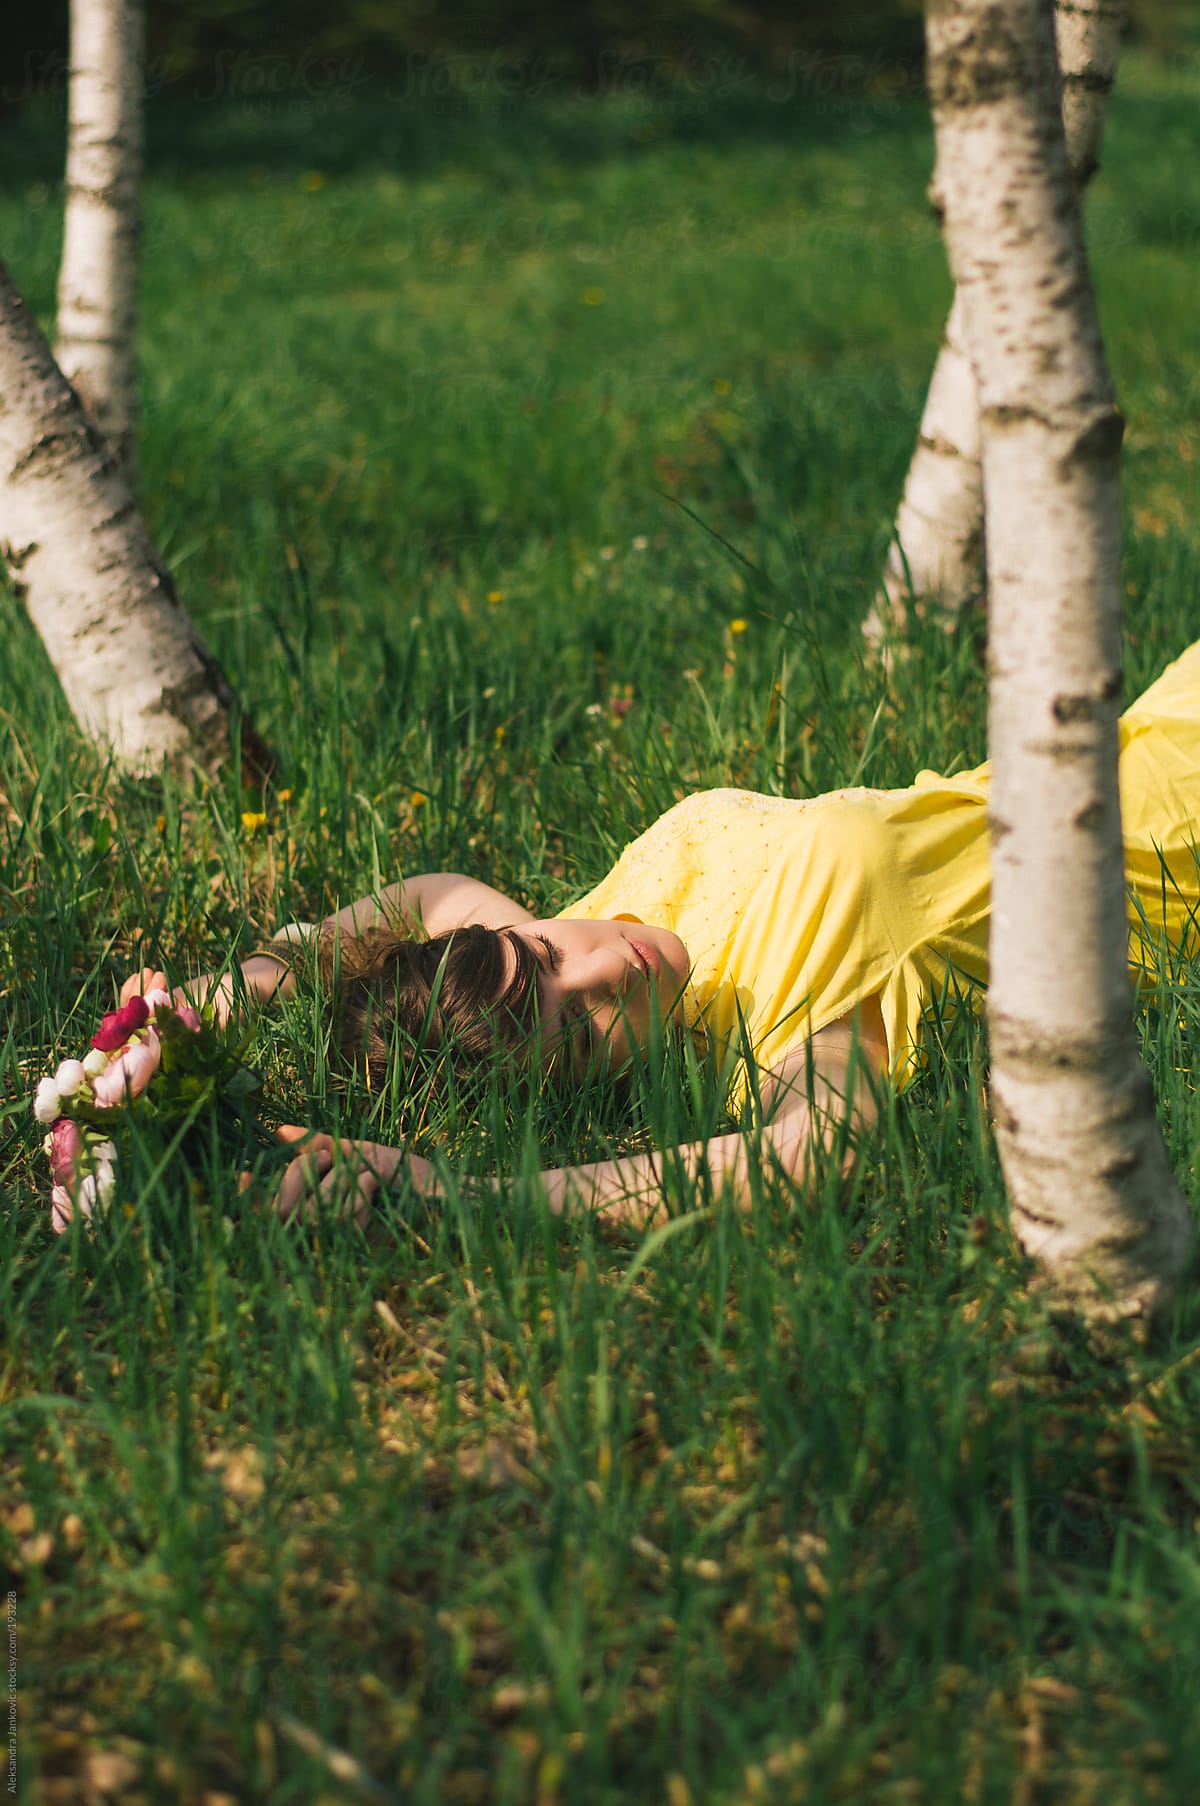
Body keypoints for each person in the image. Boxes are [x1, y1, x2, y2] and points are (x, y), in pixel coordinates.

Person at [124, 639, 1200, 1230]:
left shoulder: (607, 914)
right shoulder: (779, 1017)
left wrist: (239, 987)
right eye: (587, 1029)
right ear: (585, 1084)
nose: (607, 968)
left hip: (1157, 720)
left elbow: (437, 892)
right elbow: (810, 1153)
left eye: (547, 951)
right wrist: (457, 1196)